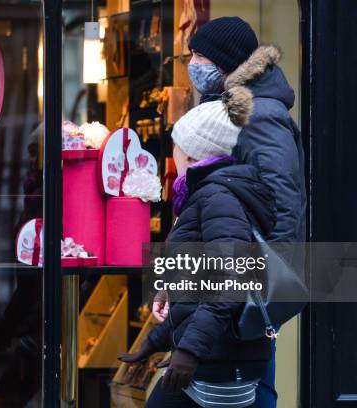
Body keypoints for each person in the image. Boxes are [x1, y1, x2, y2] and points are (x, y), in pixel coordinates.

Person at [119, 84, 276, 407]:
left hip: (218, 361)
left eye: (175, 146)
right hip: (216, 356)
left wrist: (188, 351)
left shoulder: (217, 198)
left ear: (190, 153)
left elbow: (231, 281)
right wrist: (156, 341)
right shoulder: (214, 194)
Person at [186, 17, 307, 406]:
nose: (193, 63)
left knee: (253, 380)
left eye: (200, 55)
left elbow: (283, 199)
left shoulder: (259, 115)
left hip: (245, 277)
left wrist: (268, 283)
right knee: (244, 380)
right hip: (229, 272)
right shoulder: (231, 106)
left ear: (225, 63)